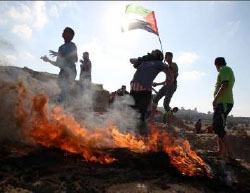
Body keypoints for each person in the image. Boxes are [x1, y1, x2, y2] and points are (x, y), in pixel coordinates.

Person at [130, 49, 167, 135]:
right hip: (134, 89)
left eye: (154, 51)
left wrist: (168, 79)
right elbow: (131, 60)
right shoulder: (145, 61)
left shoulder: (159, 63)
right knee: (132, 112)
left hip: (145, 91)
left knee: (141, 115)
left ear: (157, 55)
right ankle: (132, 134)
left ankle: (142, 136)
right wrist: (143, 58)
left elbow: (168, 72)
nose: (151, 51)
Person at [41, 27, 78, 105]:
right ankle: (63, 105)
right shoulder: (60, 47)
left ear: (71, 36)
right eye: (63, 31)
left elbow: (75, 59)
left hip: (70, 71)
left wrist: (60, 55)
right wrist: (48, 60)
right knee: (60, 88)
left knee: (64, 89)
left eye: (65, 32)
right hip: (63, 71)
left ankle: (62, 109)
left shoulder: (72, 45)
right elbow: (58, 64)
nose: (63, 33)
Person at [212, 57, 235, 160]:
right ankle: (220, 151)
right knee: (219, 127)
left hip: (223, 103)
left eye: (215, 66)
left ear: (217, 64)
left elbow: (225, 84)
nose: (216, 68)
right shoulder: (228, 70)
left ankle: (230, 154)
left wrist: (216, 99)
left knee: (217, 127)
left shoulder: (224, 69)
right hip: (223, 103)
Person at [148, 52, 179, 122]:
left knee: (166, 104)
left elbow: (174, 76)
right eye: (165, 56)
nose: (165, 58)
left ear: (171, 57)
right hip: (166, 85)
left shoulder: (174, 65)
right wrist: (157, 84)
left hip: (172, 86)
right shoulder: (166, 67)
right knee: (155, 99)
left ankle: (169, 122)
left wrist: (168, 69)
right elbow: (166, 81)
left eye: (167, 56)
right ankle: (151, 118)